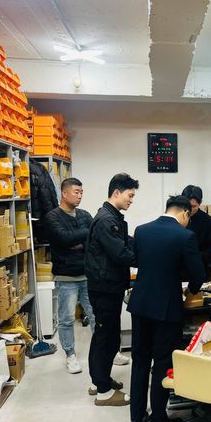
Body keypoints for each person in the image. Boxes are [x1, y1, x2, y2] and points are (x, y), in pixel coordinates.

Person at [127, 195, 205, 422]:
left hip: (140, 305)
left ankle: (136, 420)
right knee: (162, 363)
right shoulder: (185, 236)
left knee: (140, 361)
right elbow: (198, 274)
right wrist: (191, 290)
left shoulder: (141, 231)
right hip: (167, 308)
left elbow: (139, 262)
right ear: (185, 213)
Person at [85, 173, 139, 406]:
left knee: (105, 335)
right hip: (105, 287)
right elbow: (121, 253)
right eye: (130, 195)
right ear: (117, 192)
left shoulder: (111, 217)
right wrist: (148, 257)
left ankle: (100, 380)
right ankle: (103, 391)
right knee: (105, 336)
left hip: (107, 285)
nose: (131, 200)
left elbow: (125, 242)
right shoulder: (107, 220)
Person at [45, 178, 95, 374]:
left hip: (87, 275)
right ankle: (70, 355)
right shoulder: (52, 217)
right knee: (66, 319)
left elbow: (93, 238)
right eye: (76, 192)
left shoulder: (85, 215)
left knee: (96, 315)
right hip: (66, 277)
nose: (80, 196)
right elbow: (64, 239)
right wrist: (83, 236)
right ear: (64, 194)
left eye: (82, 192)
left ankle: (105, 352)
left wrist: (78, 242)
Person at [181, 185, 211, 281]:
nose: (189, 210)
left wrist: (195, 257)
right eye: (187, 205)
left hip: (199, 270)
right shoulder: (176, 219)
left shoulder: (209, 222)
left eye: (193, 206)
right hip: (178, 271)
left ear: (200, 203)